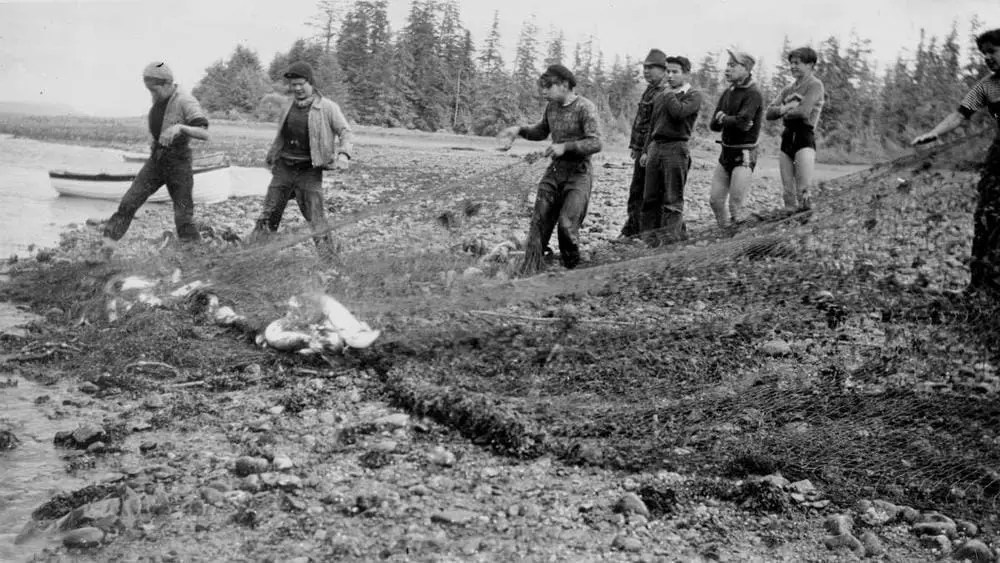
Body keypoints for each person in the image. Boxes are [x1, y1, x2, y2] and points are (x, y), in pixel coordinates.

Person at [913, 28, 1000, 296]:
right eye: (983, 53)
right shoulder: (987, 85)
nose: (987, 57)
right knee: (986, 218)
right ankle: (979, 287)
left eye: (992, 51)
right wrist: (934, 133)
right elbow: (960, 114)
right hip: (998, 159)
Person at [497, 64, 603, 273]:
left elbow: (596, 143)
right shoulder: (552, 108)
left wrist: (565, 147)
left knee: (566, 225)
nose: (543, 91)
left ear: (564, 85)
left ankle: (571, 269)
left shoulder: (585, 107)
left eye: (548, 86)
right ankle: (531, 266)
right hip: (555, 171)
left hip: (579, 173)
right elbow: (541, 131)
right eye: (542, 87)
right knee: (539, 221)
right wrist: (518, 131)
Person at [101, 62, 210, 250]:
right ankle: (106, 247)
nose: (152, 94)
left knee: (183, 215)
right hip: (156, 161)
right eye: (149, 91)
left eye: (154, 90)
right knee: (128, 202)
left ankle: (195, 253)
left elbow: (204, 133)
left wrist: (180, 127)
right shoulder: (158, 100)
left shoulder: (185, 100)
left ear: (167, 84)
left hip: (178, 163)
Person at [252, 61, 353, 254]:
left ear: (311, 83)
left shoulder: (328, 107)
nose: (297, 88)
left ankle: (329, 261)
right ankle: (253, 257)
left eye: (301, 84)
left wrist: (344, 154)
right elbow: (274, 103)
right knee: (268, 214)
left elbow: (346, 132)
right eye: (293, 84)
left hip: (309, 170)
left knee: (316, 219)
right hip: (284, 168)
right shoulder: (288, 105)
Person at [640, 55, 702, 246]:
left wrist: (668, 94)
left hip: (677, 148)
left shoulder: (693, 95)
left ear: (686, 74)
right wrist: (645, 150)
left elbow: (678, 113)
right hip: (656, 147)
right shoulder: (662, 96)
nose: (670, 75)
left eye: (675, 72)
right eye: (668, 71)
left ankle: (670, 243)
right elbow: (653, 125)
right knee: (650, 197)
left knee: (672, 200)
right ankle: (649, 241)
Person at [709, 49, 764, 233]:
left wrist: (724, 118)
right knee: (715, 201)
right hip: (725, 153)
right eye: (727, 65)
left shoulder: (753, 93)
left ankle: (741, 241)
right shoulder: (727, 93)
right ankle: (727, 234)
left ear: (746, 69)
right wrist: (728, 120)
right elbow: (713, 126)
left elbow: (742, 123)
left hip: (744, 154)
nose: (727, 69)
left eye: (732, 66)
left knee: (736, 204)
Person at [765, 46, 825, 213]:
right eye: (791, 63)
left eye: (797, 63)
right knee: (788, 192)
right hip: (787, 138)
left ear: (810, 64)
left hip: (804, 137)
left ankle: (806, 236)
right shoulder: (788, 89)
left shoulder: (815, 85)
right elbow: (769, 113)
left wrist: (783, 111)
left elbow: (804, 112)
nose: (792, 67)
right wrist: (785, 109)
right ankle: (790, 232)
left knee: (803, 190)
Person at [620, 49, 669, 238]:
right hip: (642, 149)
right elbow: (640, 121)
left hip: (655, 151)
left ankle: (649, 233)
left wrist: (648, 150)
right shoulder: (649, 90)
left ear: (663, 70)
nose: (646, 71)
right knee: (636, 191)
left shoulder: (665, 92)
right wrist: (635, 146)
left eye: (651, 67)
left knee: (652, 194)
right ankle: (633, 228)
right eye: (644, 67)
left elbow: (657, 126)